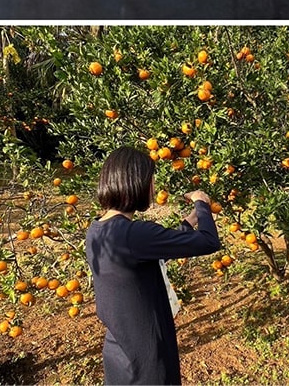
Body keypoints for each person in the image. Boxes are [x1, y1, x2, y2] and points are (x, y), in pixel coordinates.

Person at [85, 147, 221, 385]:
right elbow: (209, 242)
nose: (154, 187)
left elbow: (148, 254)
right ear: (135, 183)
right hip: (147, 361)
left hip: (119, 352)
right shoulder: (134, 233)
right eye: (151, 180)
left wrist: (189, 222)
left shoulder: (98, 230)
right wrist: (202, 204)